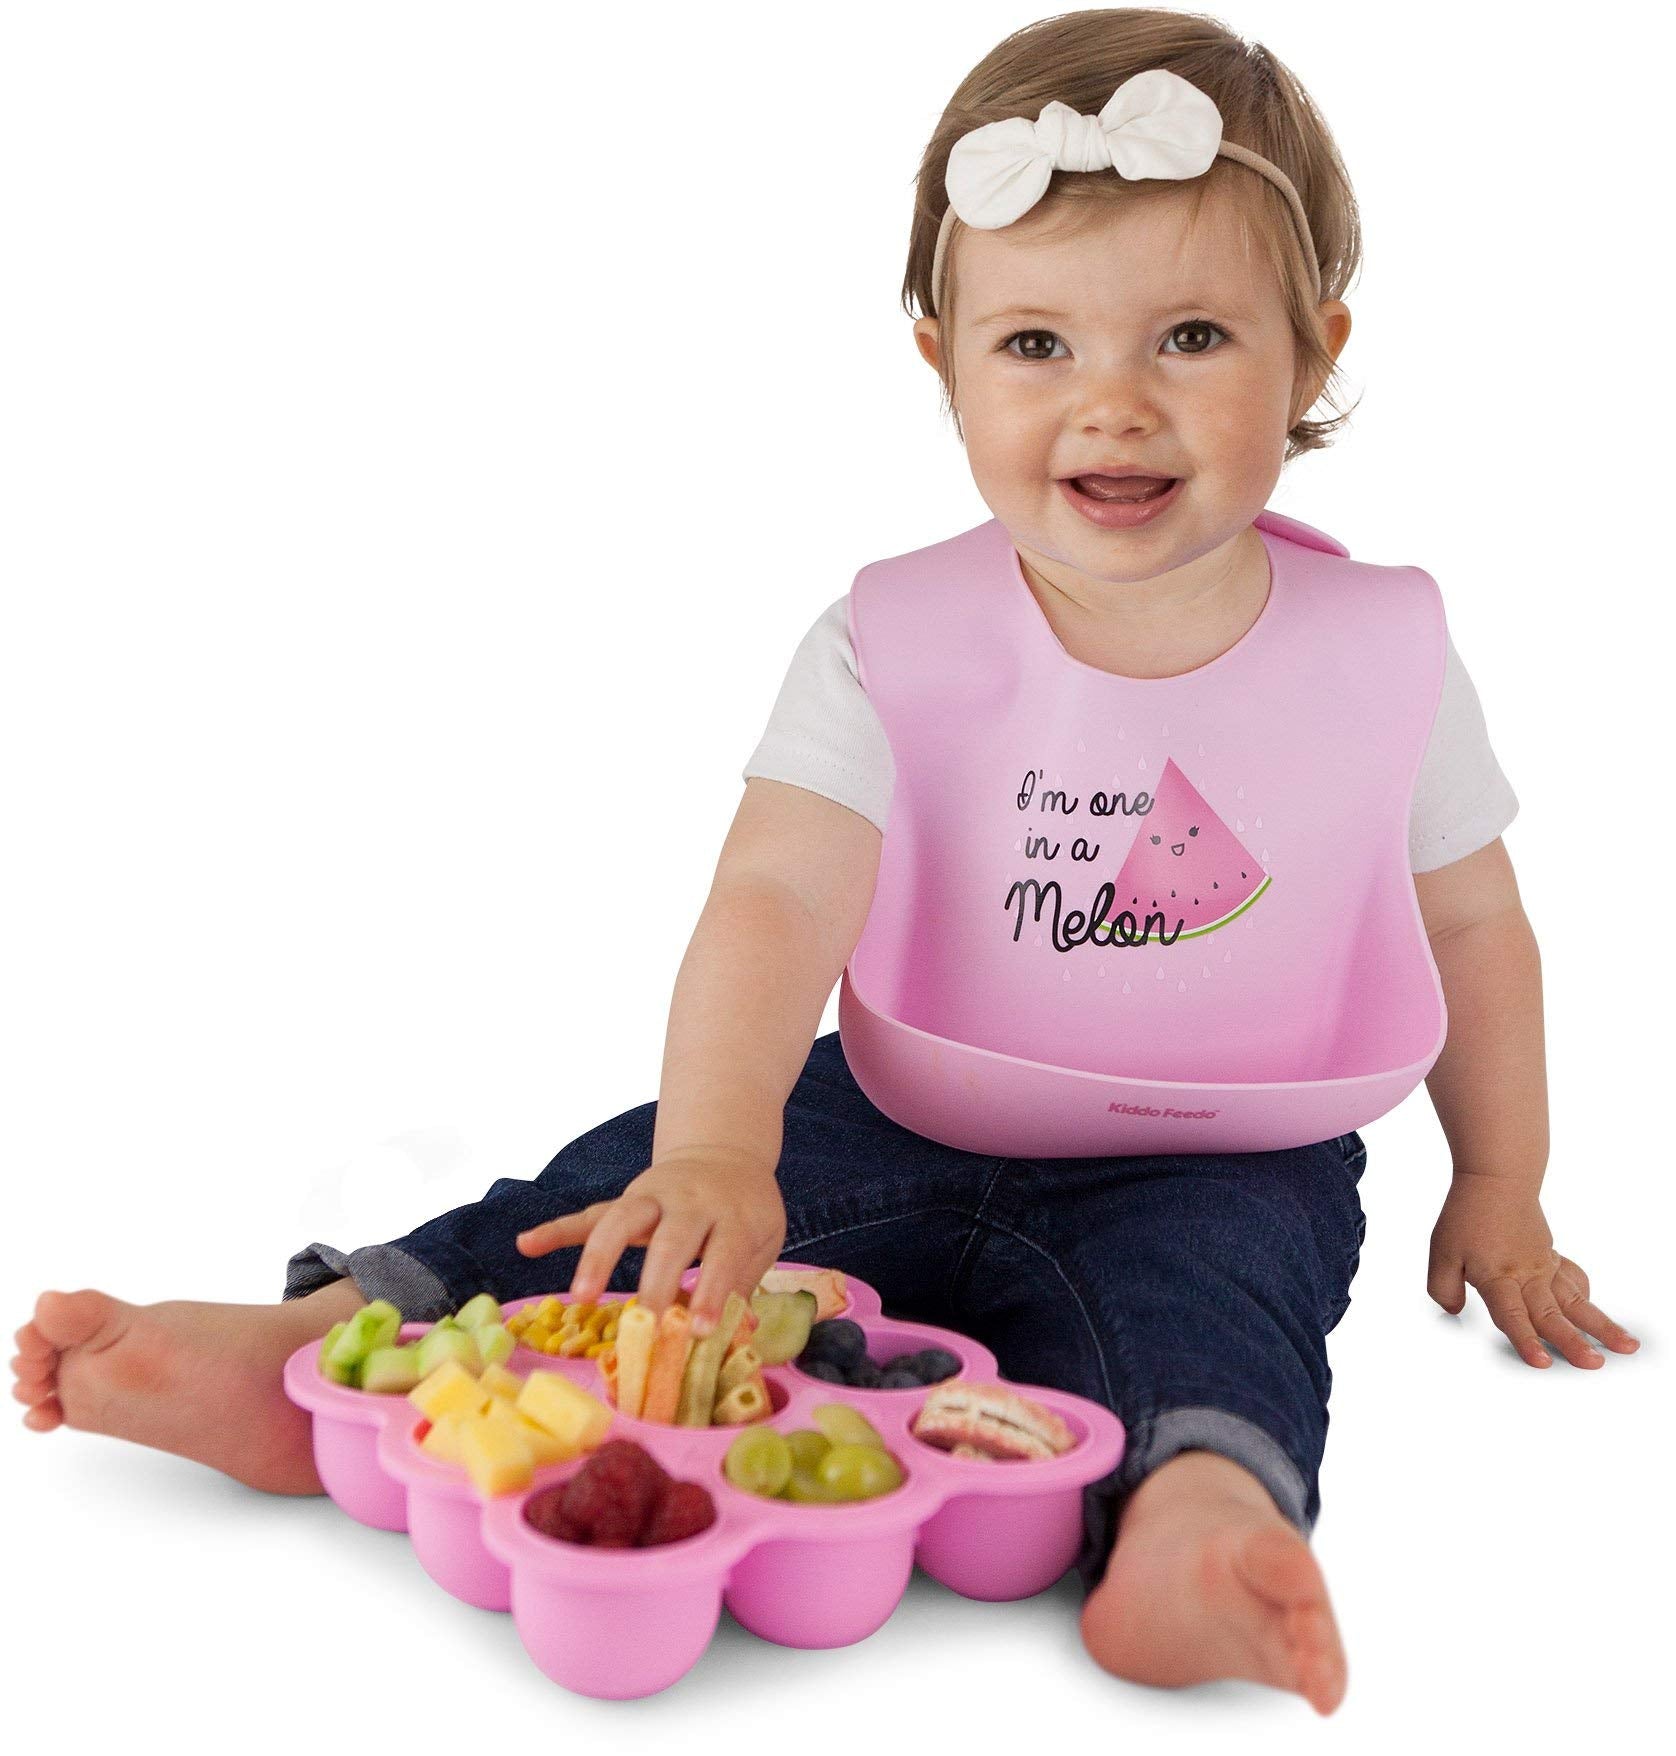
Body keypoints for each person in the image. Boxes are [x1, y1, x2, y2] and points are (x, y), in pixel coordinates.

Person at [12, 7, 1640, 1717]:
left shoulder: (1384, 656)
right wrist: (721, 1149)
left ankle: (1196, 1526)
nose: (1114, 403)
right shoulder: (888, 642)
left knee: (1223, 1310)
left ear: (1311, 355)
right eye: (1036, 343)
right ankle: (328, 1354)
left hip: (1224, 1159)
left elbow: (1475, 924)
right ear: (943, 362)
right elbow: (779, 894)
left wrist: (1504, 1184)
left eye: (1191, 336)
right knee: (629, 1198)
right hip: (887, 1106)